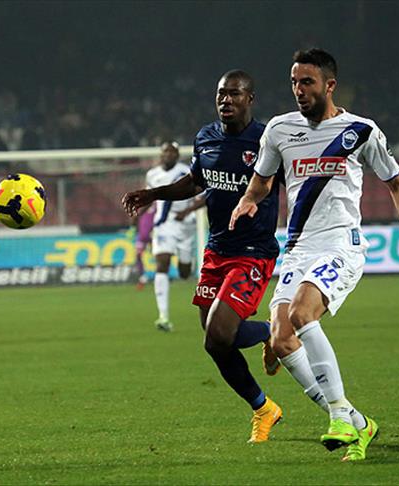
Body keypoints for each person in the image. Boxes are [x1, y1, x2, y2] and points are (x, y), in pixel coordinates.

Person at [230, 48, 399, 462]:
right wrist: (247, 200)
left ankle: (340, 415)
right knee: (281, 337)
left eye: (307, 82)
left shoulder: (360, 131)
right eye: (294, 82)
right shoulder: (279, 129)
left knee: (301, 313)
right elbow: (262, 181)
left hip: (341, 243)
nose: (299, 90)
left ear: (330, 85)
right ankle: (358, 422)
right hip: (297, 247)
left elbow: (397, 185)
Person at [122, 70, 284, 443]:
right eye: (221, 94)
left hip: (253, 251)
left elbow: (291, 183)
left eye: (234, 94)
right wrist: (153, 194)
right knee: (214, 342)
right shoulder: (206, 136)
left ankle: (275, 332)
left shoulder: (267, 140)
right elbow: (196, 182)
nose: (226, 100)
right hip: (217, 250)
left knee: (220, 332)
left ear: (250, 99)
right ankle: (264, 408)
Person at [144, 141, 198, 331]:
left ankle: (187, 262)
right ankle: (163, 316)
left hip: (185, 224)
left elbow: (205, 196)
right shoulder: (152, 175)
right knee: (162, 263)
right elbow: (149, 198)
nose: (168, 155)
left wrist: (188, 210)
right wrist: (138, 214)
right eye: (165, 152)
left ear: (177, 155)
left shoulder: (188, 172)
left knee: (184, 273)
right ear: (160, 155)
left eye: (172, 152)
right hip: (164, 224)